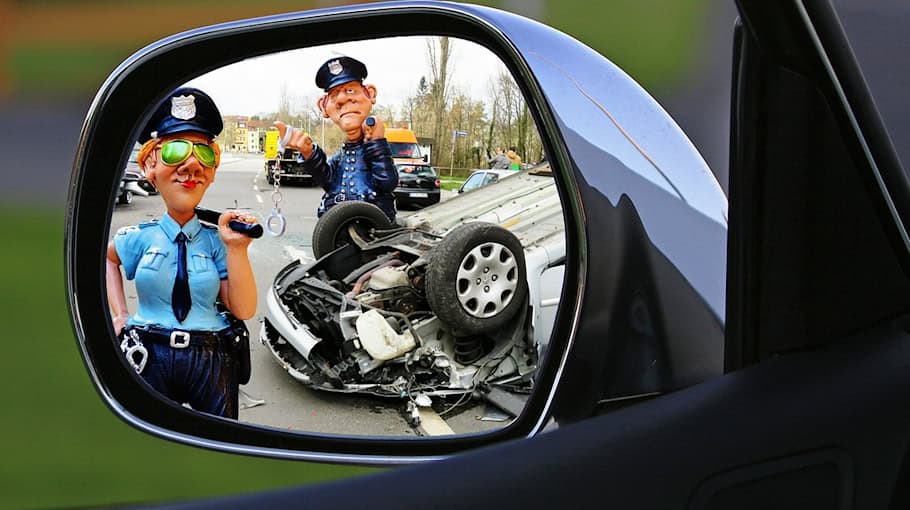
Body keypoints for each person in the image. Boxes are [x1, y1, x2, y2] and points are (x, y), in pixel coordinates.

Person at [106, 87, 258, 419]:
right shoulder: (139, 238)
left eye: (203, 153)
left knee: (220, 438)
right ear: (149, 164)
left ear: (214, 167)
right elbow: (108, 258)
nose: (191, 165)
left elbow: (243, 307)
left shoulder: (216, 239)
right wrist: (119, 315)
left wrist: (237, 249)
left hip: (210, 355)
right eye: (175, 151)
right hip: (150, 353)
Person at [274, 56, 398, 221]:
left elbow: (387, 183)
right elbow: (327, 180)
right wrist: (308, 152)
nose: (342, 100)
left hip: (373, 230)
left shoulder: (370, 149)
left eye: (350, 90)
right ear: (324, 106)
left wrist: (376, 145)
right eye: (334, 96)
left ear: (370, 94)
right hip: (335, 231)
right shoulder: (341, 157)